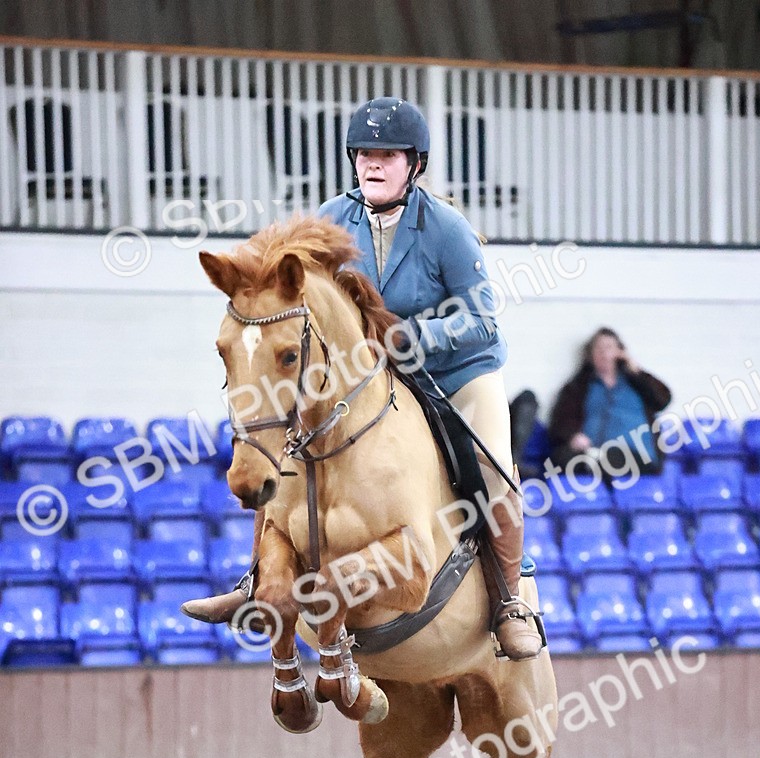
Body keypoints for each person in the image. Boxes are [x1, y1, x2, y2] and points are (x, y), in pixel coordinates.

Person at [184, 96, 542, 660]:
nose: (373, 164)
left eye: (388, 155)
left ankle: (509, 602)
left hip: (452, 370)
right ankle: (257, 579)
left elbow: (480, 320)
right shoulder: (331, 217)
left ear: (414, 165)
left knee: (495, 470)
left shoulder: (446, 228)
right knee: (284, 444)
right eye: (365, 154)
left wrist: (413, 338)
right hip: (363, 375)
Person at [548, 328, 671, 477]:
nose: (604, 354)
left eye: (609, 348)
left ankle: (595, 462)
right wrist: (573, 436)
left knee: (613, 457)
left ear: (620, 352)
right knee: (560, 458)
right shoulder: (578, 387)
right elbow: (560, 421)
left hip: (635, 454)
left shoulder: (636, 382)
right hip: (589, 452)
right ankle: (595, 461)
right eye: (598, 348)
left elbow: (663, 399)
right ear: (590, 354)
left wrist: (636, 370)